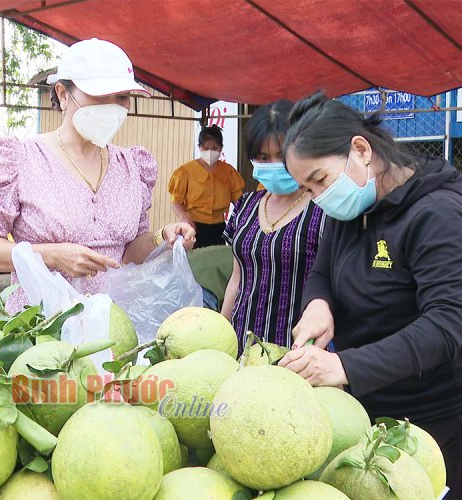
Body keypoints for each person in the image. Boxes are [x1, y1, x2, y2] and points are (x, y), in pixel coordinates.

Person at [278, 92, 462, 497]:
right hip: (366, 417)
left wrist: (344, 367)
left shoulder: (437, 214)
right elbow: (322, 271)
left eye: (319, 180)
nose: (317, 197)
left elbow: (447, 325)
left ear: (360, 150)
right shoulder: (350, 212)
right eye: (308, 188)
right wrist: (318, 305)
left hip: (434, 427)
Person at [0, 38, 195, 312]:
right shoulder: (21, 159)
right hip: (41, 328)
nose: (112, 107)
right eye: (99, 96)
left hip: (112, 326)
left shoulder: (132, 167)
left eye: (121, 97)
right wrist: (50, 255)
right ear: (63, 94)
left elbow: (129, 253)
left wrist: (162, 237)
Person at [221, 100, 326, 351]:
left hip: (298, 351)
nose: (274, 164)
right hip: (241, 344)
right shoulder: (246, 205)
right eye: (263, 157)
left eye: (282, 155)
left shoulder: (324, 208)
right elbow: (237, 279)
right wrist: (220, 333)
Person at [169, 125, 245, 248]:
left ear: (221, 148)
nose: (210, 151)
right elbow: (175, 202)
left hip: (219, 226)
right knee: (194, 261)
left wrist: (244, 219)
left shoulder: (229, 172)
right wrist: (184, 217)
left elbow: (239, 201)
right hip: (193, 225)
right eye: (206, 148)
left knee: (216, 260)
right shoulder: (185, 171)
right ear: (199, 147)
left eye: (214, 148)